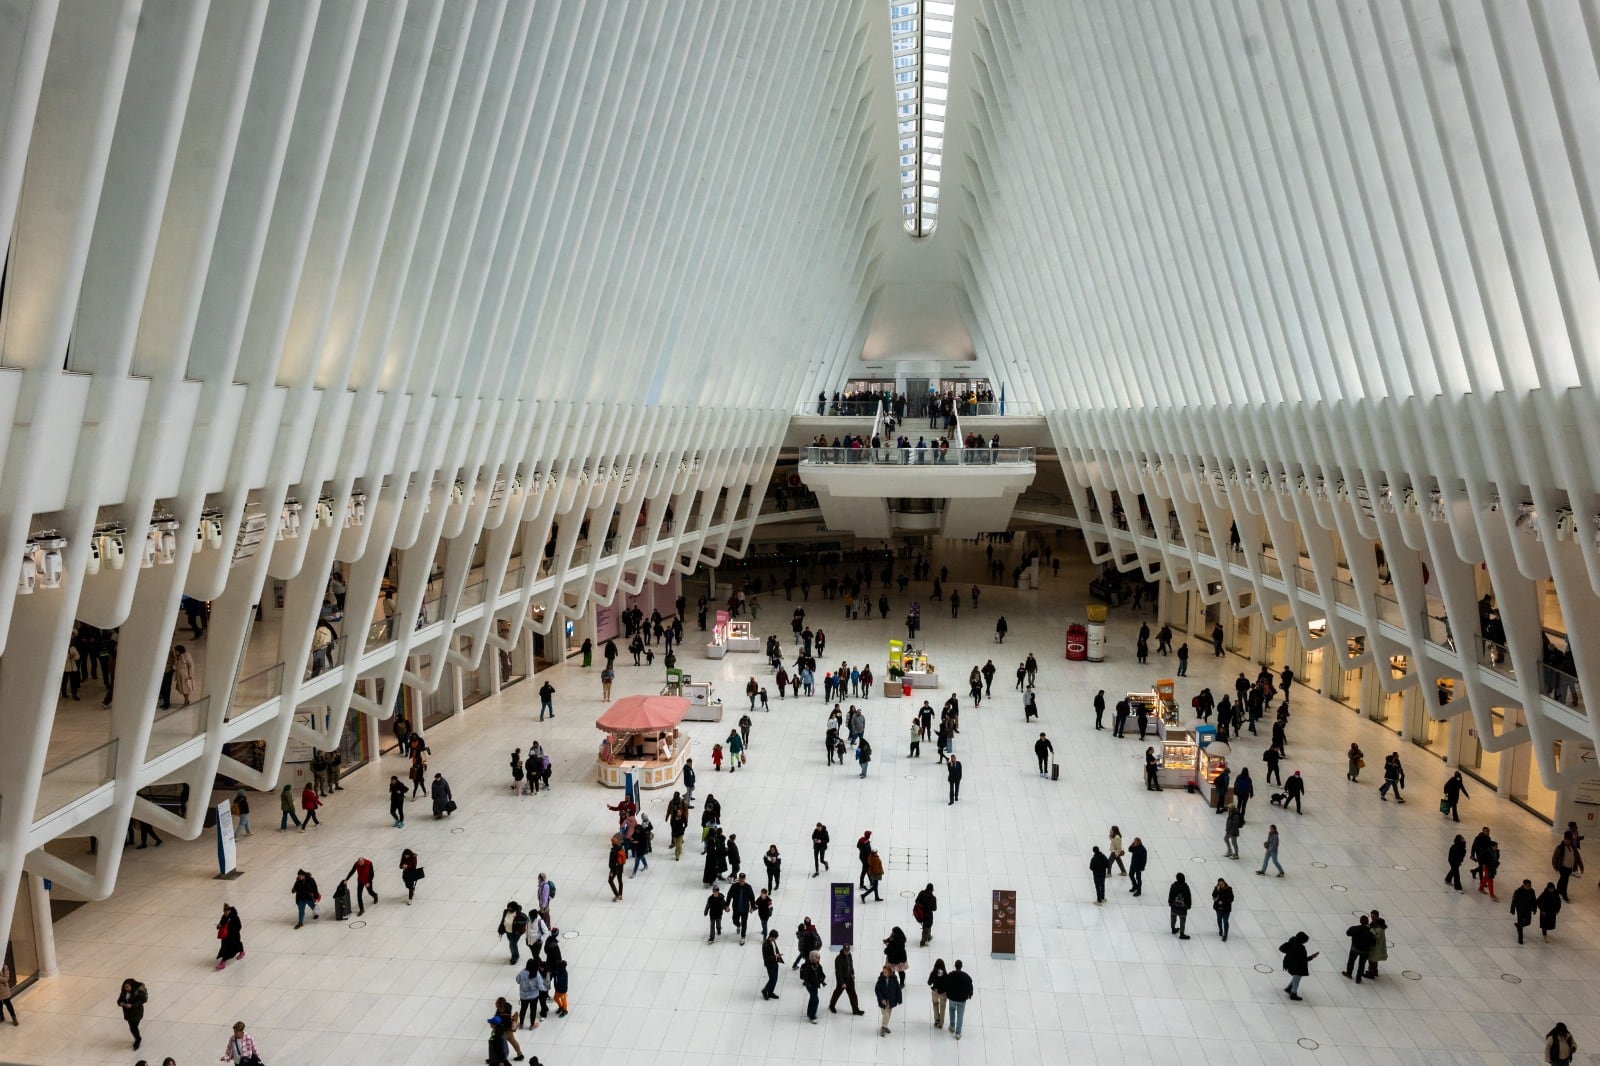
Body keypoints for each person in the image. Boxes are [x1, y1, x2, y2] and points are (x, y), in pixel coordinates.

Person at [1279, 931, 1317, 1001]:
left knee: (1296, 977)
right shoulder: (1300, 948)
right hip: (1297, 967)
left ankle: (1289, 988)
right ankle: (1293, 994)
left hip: (1289, 963)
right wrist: (1312, 957)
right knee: (1297, 979)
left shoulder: (1292, 940)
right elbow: (1303, 959)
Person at [943, 959, 973, 1039]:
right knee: (960, 1015)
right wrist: (970, 994)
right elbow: (970, 985)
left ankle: (952, 1026)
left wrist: (946, 992)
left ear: (955, 966)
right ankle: (958, 1033)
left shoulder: (950, 975)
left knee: (951, 1010)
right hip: (962, 999)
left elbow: (946, 984)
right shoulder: (966, 977)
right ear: (961, 966)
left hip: (952, 998)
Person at [830, 944, 865, 1014]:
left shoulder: (849, 955)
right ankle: (832, 1006)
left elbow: (851, 965)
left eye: (848, 950)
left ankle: (855, 1010)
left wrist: (852, 974)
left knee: (853, 994)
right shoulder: (838, 959)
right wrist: (842, 982)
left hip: (849, 979)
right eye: (846, 950)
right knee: (837, 993)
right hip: (842, 980)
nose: (847, 952)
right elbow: (838, 972)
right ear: (843, 950)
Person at [1341, 914, 1375, 981]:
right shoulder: (1369, 933)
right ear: (1367, 922)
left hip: (1355, 949)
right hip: (1365, 951)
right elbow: (1373, 943)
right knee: (1361, 965)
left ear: (1360, 921)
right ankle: (1358, 978)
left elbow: (1348, 933)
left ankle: (1349, 973)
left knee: (1351, 961)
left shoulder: (1355, 928)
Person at [117, 978, 147, 1048]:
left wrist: (132, 1005)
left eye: (127, 987)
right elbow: (118, 1001)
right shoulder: (124, 992)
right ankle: (137, 1038)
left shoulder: (137, 992)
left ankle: (138, 1039)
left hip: (137, 1013)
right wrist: (121, 1003)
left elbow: (143, 1000)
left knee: (133, 1027)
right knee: (132, 1027)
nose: (126, 988)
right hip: (128, 1014)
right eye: (125, 987)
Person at [874, 962, 903, 1037]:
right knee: (885, 1014)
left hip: (891, 1000)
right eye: (883, 971)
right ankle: (884, 1027)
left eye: (885, 972)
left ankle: (884, 1027)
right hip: (883, 1001)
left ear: (889, 972)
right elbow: (877, 990)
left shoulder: (894, 979)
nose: (884, 973)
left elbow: (898, 989)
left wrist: (899, 999)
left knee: (888, 1014)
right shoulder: (880, 980)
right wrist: (881, 999)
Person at [799, 950, 828, 1022]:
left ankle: (809, 1013)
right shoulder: (808, 966)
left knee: (812, 998)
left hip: (815, 985)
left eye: (819, 957)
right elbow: (806, 977)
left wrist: (822, 979)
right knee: (816, 1000)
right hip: (811, 986)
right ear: (813, 958)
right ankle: (812, 1015)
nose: (819, 958)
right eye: (818, 957)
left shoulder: (817, 965)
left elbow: (822, 974)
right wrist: (809, 984)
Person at [215, 903, 244, 970]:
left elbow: (239, 926)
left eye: (226, 911)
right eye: (224, 912)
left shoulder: (235, 917)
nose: (225, 913)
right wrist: (219, 926)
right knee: (225, 948)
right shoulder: (224, 917)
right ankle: (223, 962)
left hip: (234, 936)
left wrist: (233, 931)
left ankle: (242, 951)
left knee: (236, 944)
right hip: (226, 937)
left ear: (229, 911)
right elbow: (221, 924)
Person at [728, 874, 755, 942]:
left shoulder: (748, 887)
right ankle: (738, 925)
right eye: (740, 878)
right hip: (736, 908)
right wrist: (726, 905)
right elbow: (729, 896)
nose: (741, 880)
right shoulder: (734, 886)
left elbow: (752, 898)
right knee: (734, 920)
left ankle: (743, 937)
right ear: (738, 878)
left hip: (745, 909)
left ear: (745, 879)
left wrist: (752, 907)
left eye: (743, 878)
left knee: (744, 923)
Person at [1510, 879, 1538, 943]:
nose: (1529, 887)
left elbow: (1534, 901)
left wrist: (1534, 909)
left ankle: (1519, 926)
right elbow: (1514, 901)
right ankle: (1520, 939)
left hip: (1528, 910)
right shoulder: (1518, 891)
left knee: (1528, 922)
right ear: (1524, 885)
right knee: (1520, 923)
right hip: (1520, 910)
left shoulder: (1532, 891)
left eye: (1530, 886)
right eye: (1528, 886)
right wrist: (1512, 909)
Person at [1168, 873, 1192, 938]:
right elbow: (1188, 897)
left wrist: (1170, 902)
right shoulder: (1186, 887)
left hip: (1174, 906)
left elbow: (1171, 894)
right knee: (1182, 919)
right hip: (1183, 907)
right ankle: (1182, 934)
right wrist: (1189, 905)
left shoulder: (1174, 885)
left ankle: (1173, 929)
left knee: (1173, 917)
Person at [760, 931, 783, 999]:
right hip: (770, 964)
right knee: (772, 979)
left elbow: (775, 949)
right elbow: (766, 958)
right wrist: (775, 956)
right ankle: (765, 991)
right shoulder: (766, 945)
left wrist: (777, 955)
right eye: (775, 938)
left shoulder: (773, 941)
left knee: (775, 979)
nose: (775, 940)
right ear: (771, 937)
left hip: (774, 962)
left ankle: (770, 992)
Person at [1365, 910, 1388, 977]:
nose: (1372, 918)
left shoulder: (1379, 926)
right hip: (1375, 945)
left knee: (1372, 960)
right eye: (1371, 916)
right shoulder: (1375, 923)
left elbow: (1377, 936)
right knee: (1373, 960)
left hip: (1376, 946)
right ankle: (1373, 971)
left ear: (1377, 916)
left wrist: (1371, 929)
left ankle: (1371, 973)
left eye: (1373, 916)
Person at [608, 835, 627, 901]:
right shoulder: (621, 848)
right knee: (620, 880)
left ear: (612, 843)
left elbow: (612, 862)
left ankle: (616, 895)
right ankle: (620, 894)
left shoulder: (613, 852)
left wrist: (611, 871)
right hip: (621, 867)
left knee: (610, 881)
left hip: (615, 868)